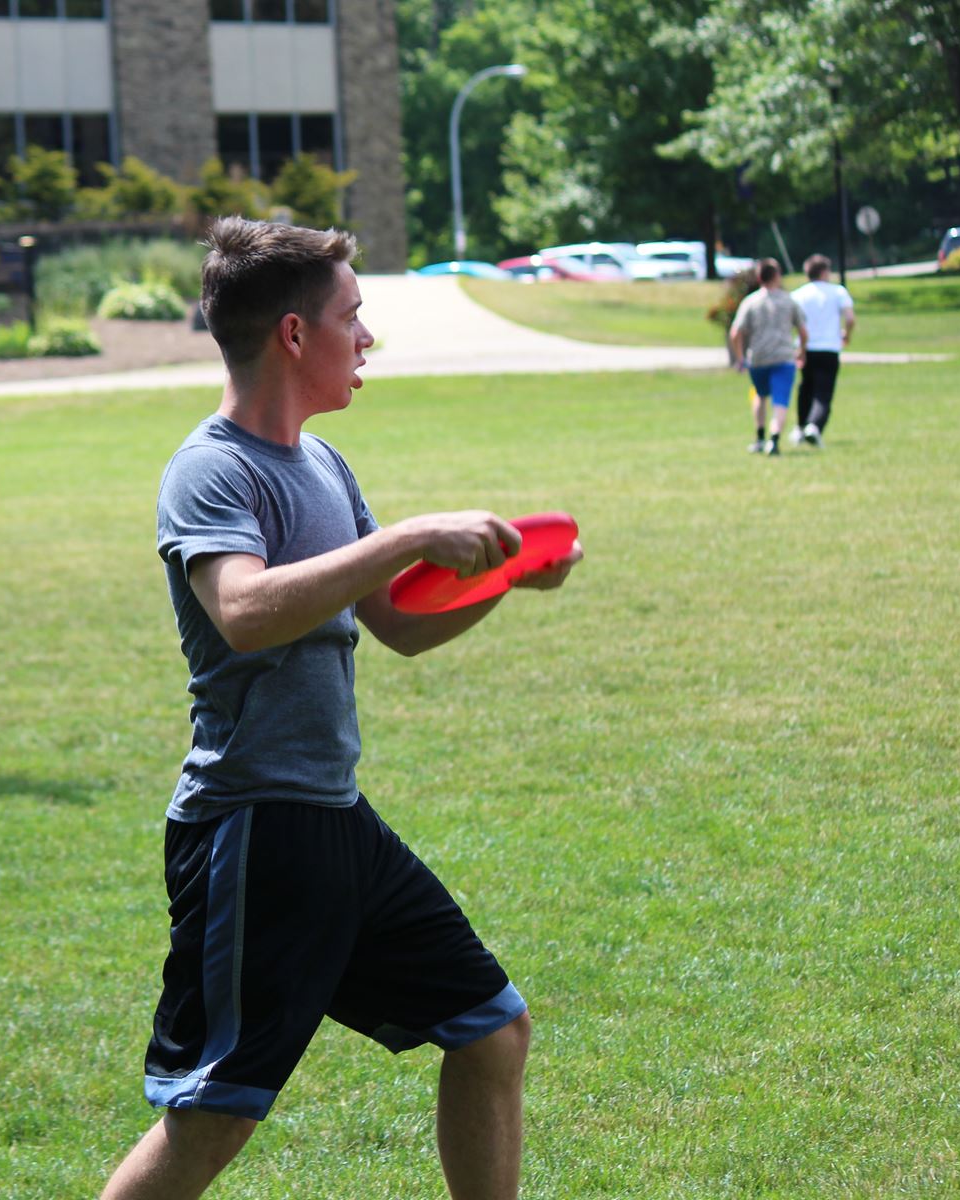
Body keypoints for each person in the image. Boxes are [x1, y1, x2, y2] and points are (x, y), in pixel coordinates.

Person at [100, 218, 583, 1200]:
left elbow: (396, 624)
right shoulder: (212, 469)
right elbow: (243, 612)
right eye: (351, 316)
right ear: (292, 334)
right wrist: (407, 535)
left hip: (334, 820)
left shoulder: (322, 464)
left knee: (491, 1030)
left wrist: (504, 581)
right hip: (251, 831)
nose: (367, 337)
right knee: (213, 1117)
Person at [729, 257, 807, 456]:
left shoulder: (751, 302)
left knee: (759, 394)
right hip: (784, 357)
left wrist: (740, 357)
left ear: (759, 277)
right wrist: (802, 351)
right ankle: (774, 439)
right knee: (780, 400)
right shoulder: (788, 300)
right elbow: (803, 331)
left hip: (758, 358)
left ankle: (760, 438)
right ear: (777, 276)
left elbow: (735, 333)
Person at [789, 253, 855, 448]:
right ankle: (814, 426)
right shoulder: (838, 292)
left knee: (806, 388)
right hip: (829, 348)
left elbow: (791, 323)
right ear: (824, 272)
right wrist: (847, 335)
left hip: (806, 348)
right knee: (823, 392)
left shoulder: (798, 294)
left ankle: (800, 427)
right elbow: (850, 318)